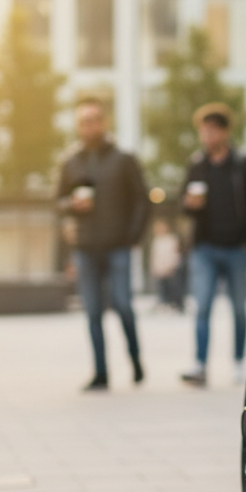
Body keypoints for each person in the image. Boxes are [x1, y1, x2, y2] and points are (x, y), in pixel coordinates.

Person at [56, 97, 149, 391]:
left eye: (94, 119)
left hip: (118, 245)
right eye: (84, 121)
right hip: (85, 247)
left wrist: (133, 236)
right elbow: (57, 201)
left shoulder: (123, 159)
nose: (89, 125)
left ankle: (135, 360)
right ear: (78, 125)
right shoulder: (70, 161)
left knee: (123, 305)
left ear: (104, 122)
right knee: (93, 312)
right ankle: (100, 372)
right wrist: (71, 204)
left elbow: (142, 200)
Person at [179, 102, 246, 387]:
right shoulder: (196, 165)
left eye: (213, 131)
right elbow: (185, 206)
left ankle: (240, 363)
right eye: (203, 131)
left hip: (236, 249)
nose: (207, 137)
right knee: (202, 306)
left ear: (225, 132)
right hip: (204, 248)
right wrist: (189, 205)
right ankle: (200, 365)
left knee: (239, 308)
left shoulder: (244, 166)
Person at [149, 218, 184, 311]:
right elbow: (154, 257)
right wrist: (155, 269)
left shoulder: (172, 239)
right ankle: (164, 304)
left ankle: (177, 305)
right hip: (160, 270)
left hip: (171, 269)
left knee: (174, 288)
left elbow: (175, 254)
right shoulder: (155, 241)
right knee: (162, 289)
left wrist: (171, 267)